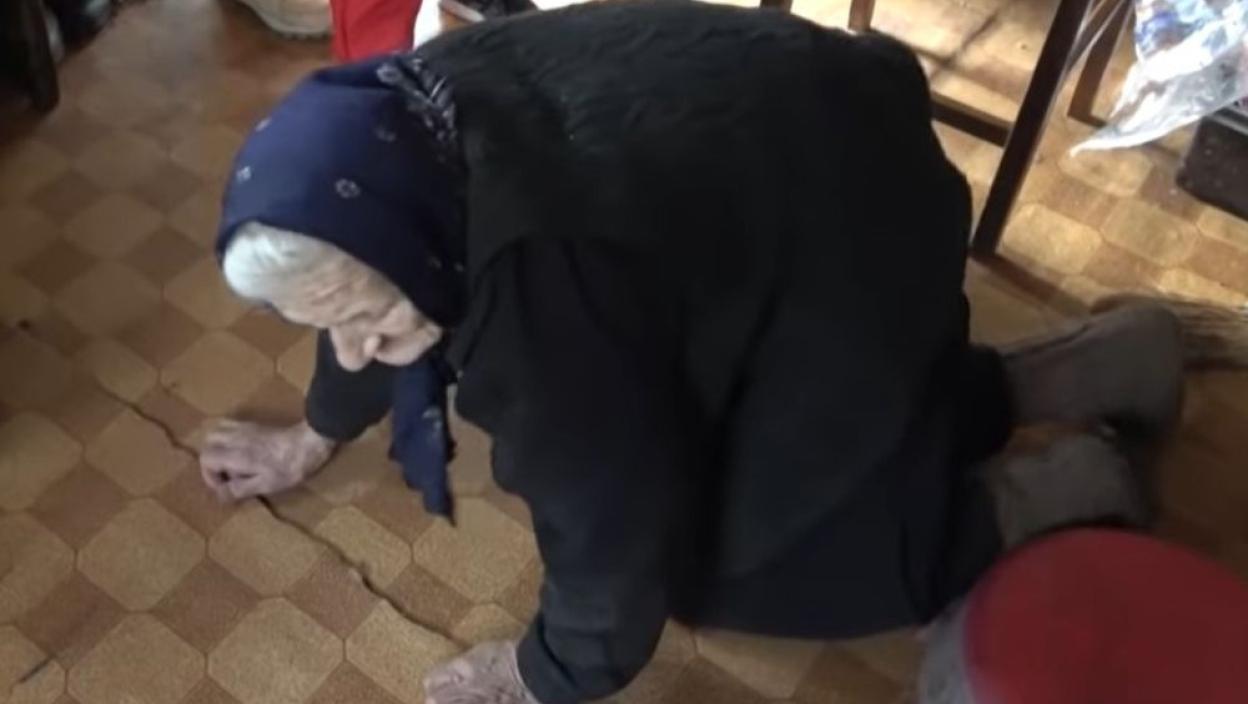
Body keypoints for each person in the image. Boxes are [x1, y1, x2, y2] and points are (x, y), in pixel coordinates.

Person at [201, 3, 1186, 703]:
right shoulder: (399, 130)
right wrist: (314, 433)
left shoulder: (535, 299)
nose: (354, 347)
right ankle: (1112, 357)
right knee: (808, 401)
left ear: (413, 244)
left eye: (369, 321)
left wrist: (538, 675)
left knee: (734, 563)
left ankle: (1062, 486)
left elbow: (612, 529)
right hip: (822, 144)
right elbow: (353, 284)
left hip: (848, 232)